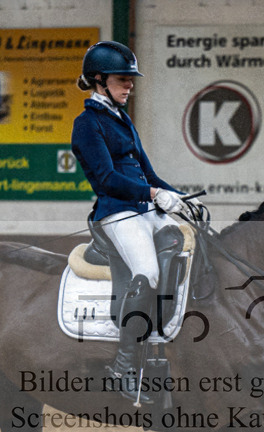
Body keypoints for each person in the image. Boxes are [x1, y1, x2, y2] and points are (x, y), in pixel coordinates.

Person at [71, 40, 188, 404]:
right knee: (148, 273)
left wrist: (178, 197)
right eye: (123, 79)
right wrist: (153, 195)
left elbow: (149, 173)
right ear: (99, 80)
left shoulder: (122, 119)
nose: (130, 85)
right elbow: (105, 179)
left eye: (131, 79)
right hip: (116, 213)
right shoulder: (86, 124)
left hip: (143, 209)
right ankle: (124, 367)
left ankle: (160, 349)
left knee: (177, 243)